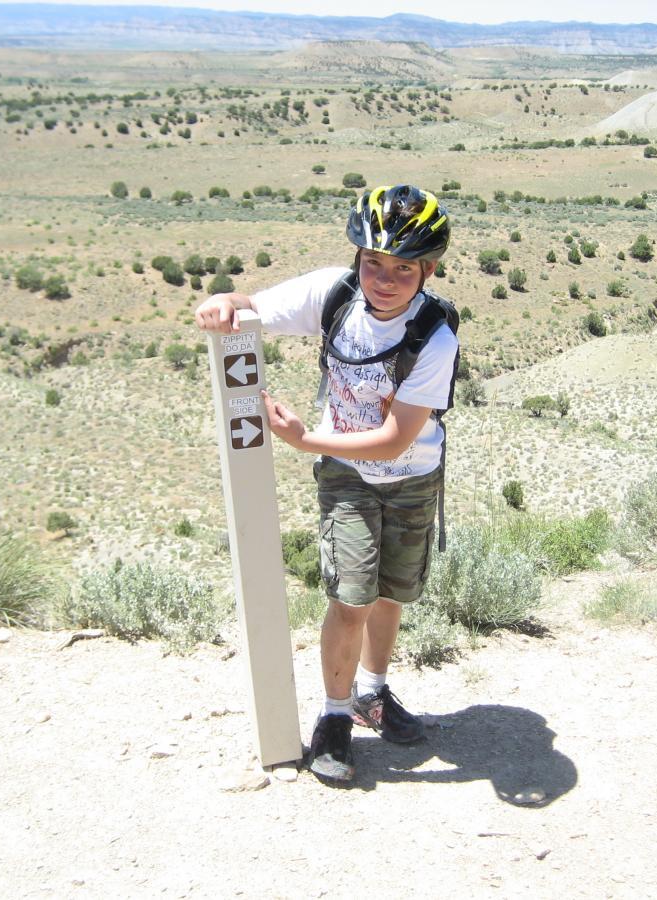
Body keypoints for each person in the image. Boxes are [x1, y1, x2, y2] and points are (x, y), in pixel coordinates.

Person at [194, 184, 457, 784]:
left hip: (412, 474)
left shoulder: (436, 336)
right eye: (373, 262)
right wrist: (220, 302)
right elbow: (250, 305)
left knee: (392, 593)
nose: (384, 279)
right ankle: (335, 716)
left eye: (402, 268)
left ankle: (373, 692)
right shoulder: (335, 295)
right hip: (346, 476)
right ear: (356, 258)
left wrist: (304, 439)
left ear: (428, 269)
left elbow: (394, 439)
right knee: (350, 598)